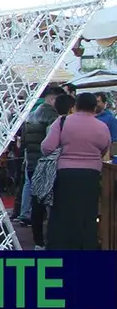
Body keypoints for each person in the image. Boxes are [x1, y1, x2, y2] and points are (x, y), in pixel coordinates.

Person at [42, 91, 110, 250]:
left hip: (65, 174)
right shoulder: (102, 126)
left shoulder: (62, 122)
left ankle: (60, 248)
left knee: (61, 214)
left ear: (76, 106)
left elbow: (46, 147)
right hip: (91, 175)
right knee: (87, 214)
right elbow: (105, 148)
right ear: (95, 108)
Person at [17, 86, 63, 241]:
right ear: (52, 99)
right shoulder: (52, 116)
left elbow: (23, 142)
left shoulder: (30, 115)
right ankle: (50, 238)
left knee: (36, 201)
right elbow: (52, 144)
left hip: (31, 162)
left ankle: (38, 240)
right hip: (46, 165)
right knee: (50, 203)